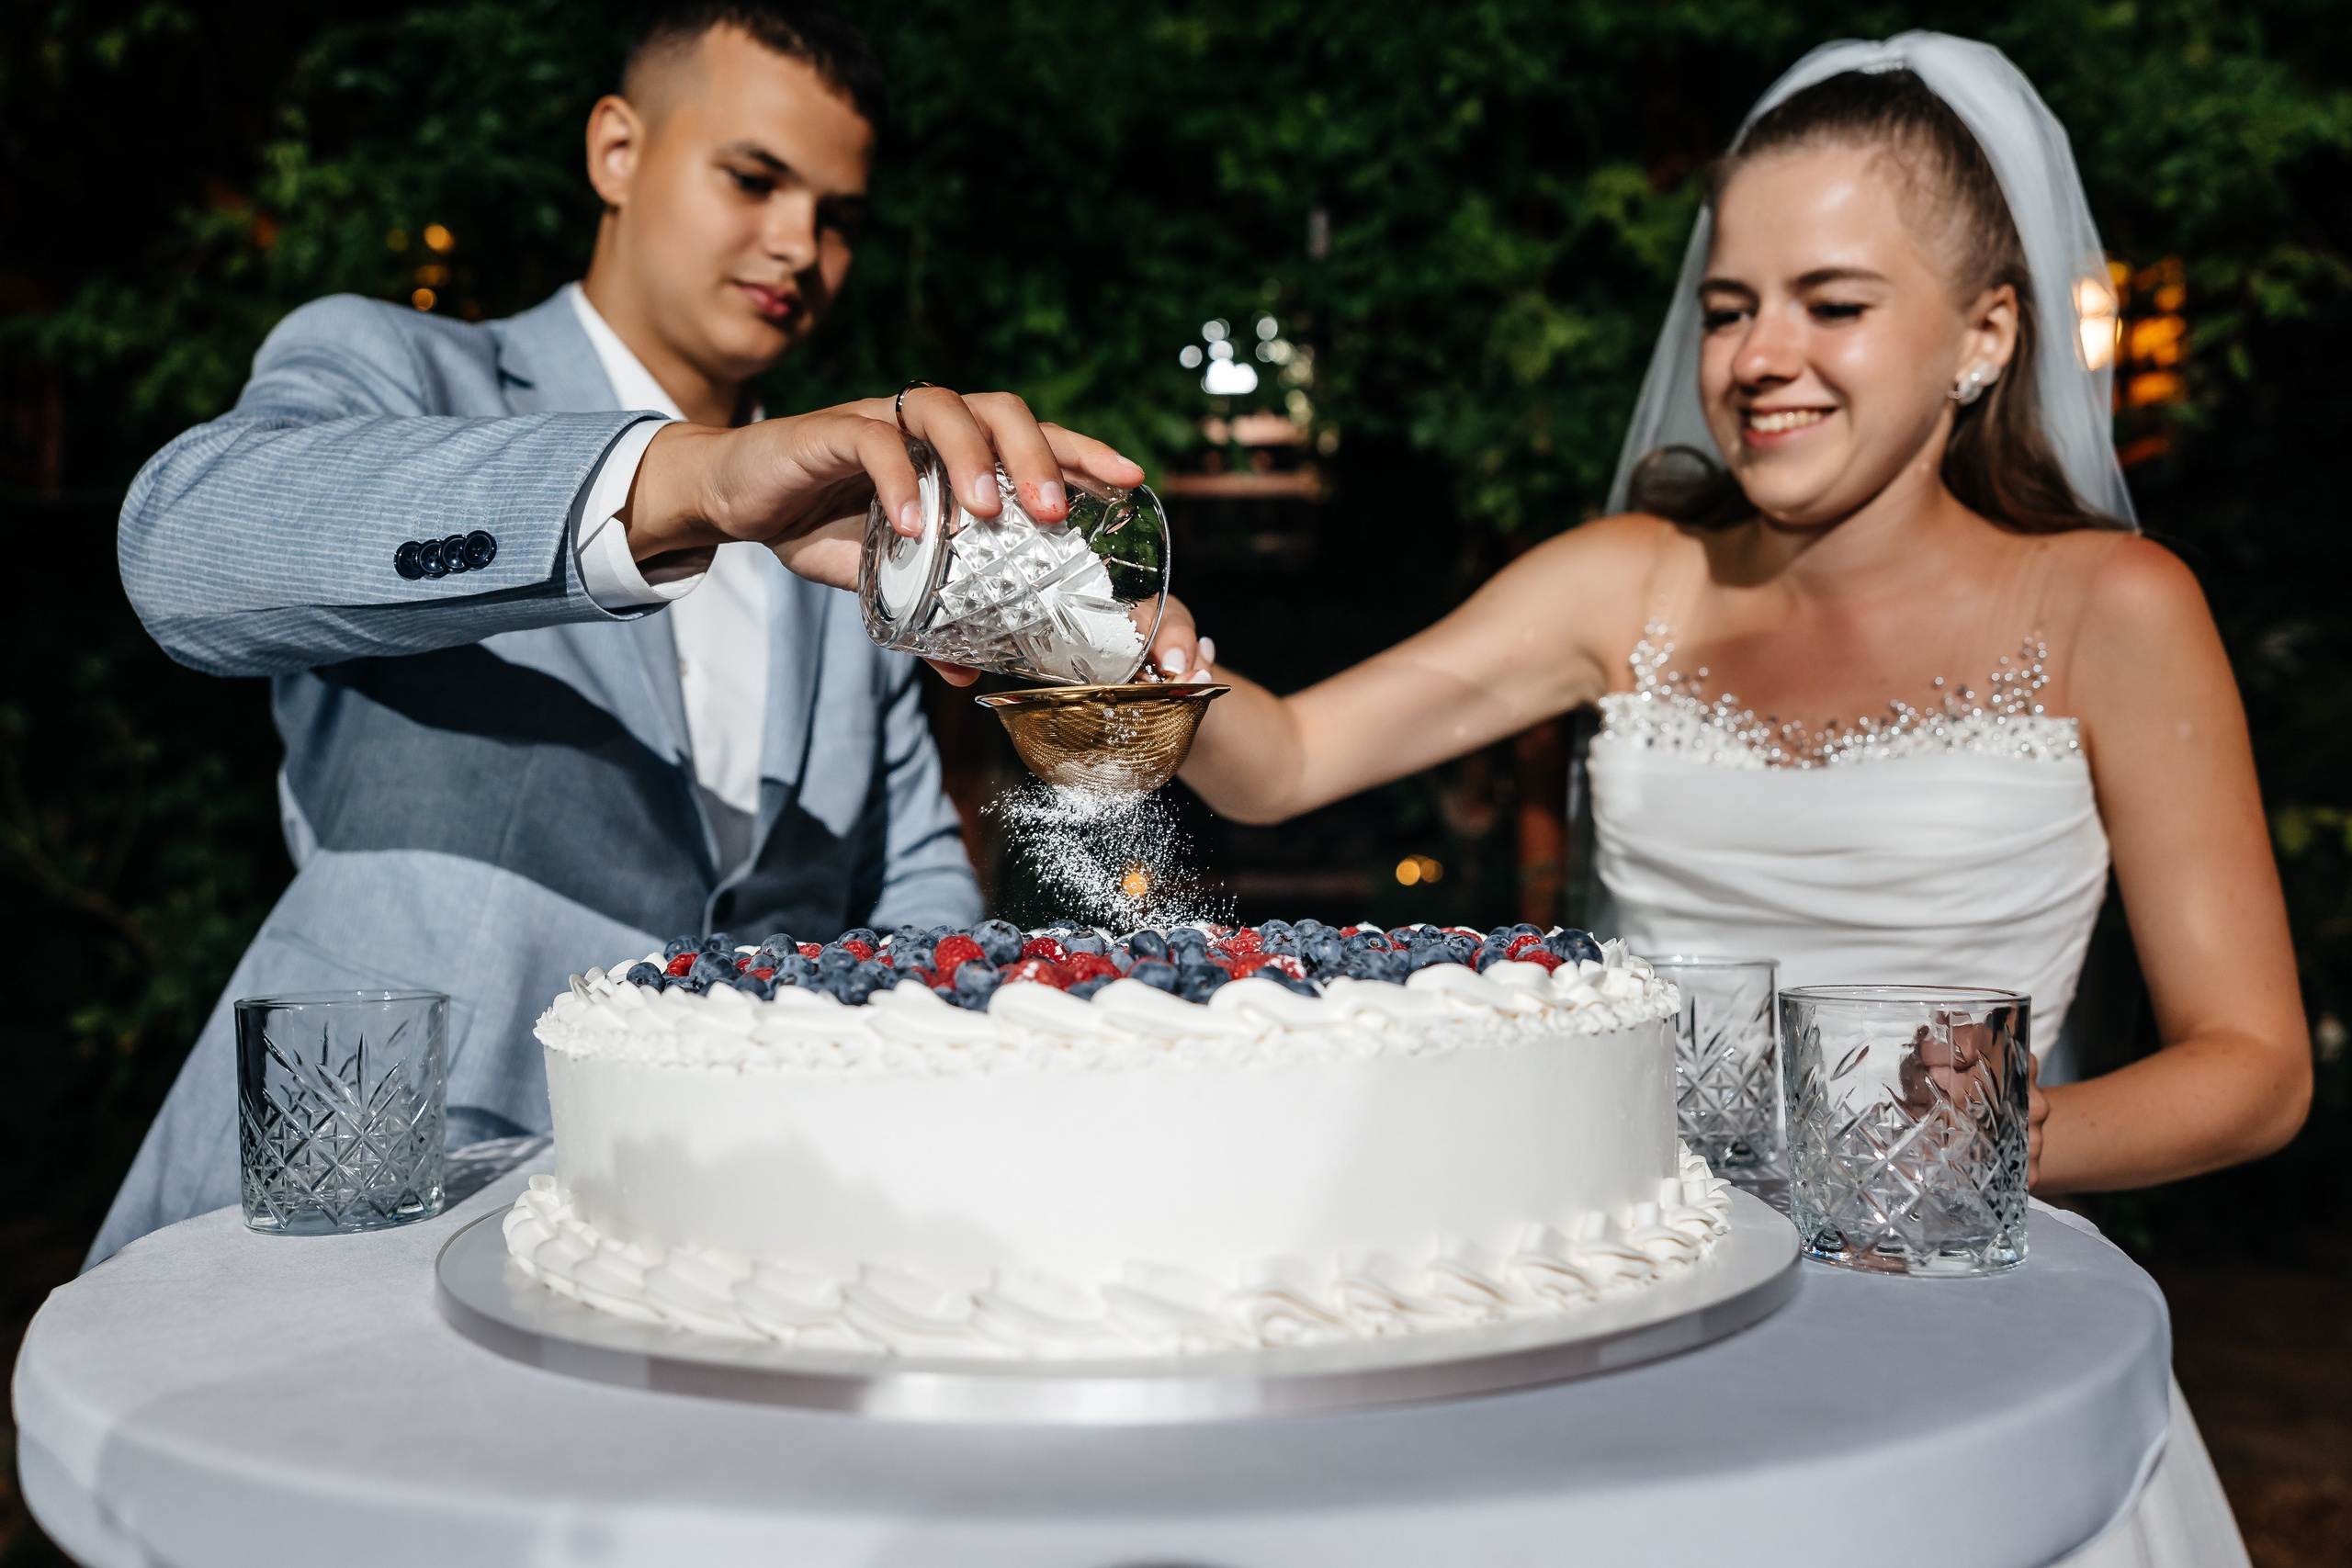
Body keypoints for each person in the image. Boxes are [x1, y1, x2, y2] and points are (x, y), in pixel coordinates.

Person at [1165, 34, 2297, 1562]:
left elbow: (2254, 1068)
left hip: (1955, 1336)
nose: (1762, 357)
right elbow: (1280, 759)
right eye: (1729, 308)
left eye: (1834, 304)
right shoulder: (1627, 580)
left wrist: (2010, 1143)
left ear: (1982, 335)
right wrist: (1088, 631)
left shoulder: (2111, 607)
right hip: (1650, 1306)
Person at [93, 0, 1160, 1267]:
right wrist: (686, 485)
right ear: (616, 150)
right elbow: (185, 550)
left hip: (716, 1254)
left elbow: (908, 888)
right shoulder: (405, 370)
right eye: (754, 179)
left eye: (839, 219)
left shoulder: (868, 540)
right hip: (356, 1212)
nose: (798, 246)